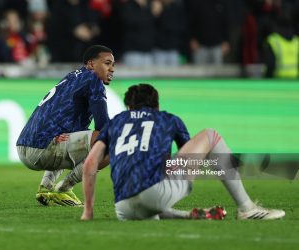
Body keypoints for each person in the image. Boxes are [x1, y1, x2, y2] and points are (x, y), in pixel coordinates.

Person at [81, 83, 285, 220]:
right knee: (211, 136)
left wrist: (88, 211)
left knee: (147, 190)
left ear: (128, 106)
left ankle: (186, 215)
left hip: (122, 208)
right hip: (156, 195)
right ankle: (247, 208)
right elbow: (187, 158)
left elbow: (90, 164)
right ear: (157, 105)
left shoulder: (115, 122)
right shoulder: (168, 119)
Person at [16, 45, 115, 206]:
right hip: (44, 148)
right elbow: (103, 125)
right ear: (91, 64)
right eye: (107, 63)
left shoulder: (72, 77)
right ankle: (63, 189)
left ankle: (45, 187)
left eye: (113, 65)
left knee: (73, 137)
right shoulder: (93, 80)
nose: (112, 69)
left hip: (24, 147)